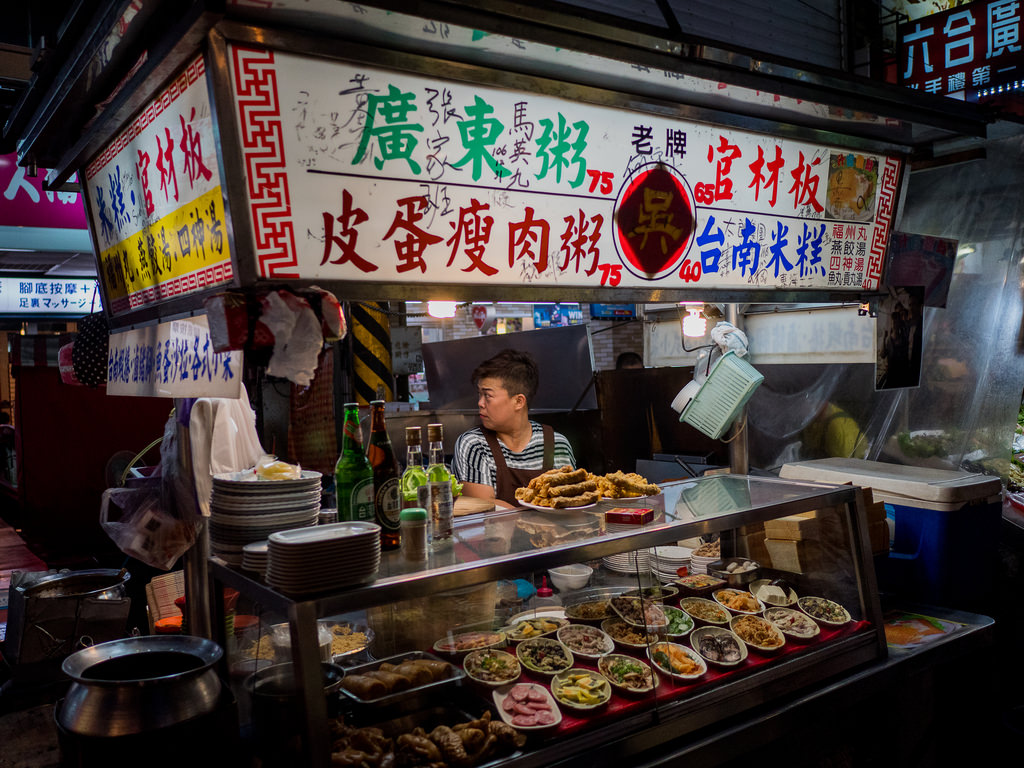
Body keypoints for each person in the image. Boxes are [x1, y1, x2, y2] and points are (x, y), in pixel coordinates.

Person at [452, 349, 575, 507]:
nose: (480, 403)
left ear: (518, 401)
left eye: (487, 395)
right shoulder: (473, 444)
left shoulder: (557, 444)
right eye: (479, 394)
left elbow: (570, 502)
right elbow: (483, 508)